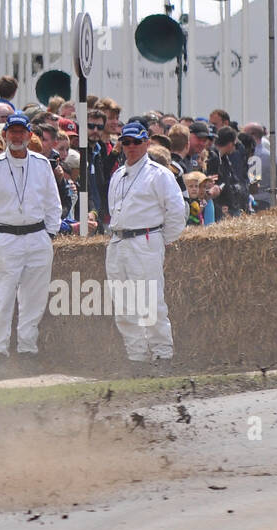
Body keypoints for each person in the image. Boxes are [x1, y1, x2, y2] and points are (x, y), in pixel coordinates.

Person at [0, 113, 62, 376]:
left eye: (21, 132)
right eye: (12, 132)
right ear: (5, 134)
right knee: (2, 298)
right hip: (6, 237)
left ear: (30, 134)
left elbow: (54, 203)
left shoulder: (42, 164)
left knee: (34, 298)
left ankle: (28, 351)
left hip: (37, 237)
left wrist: (50, 233)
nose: (17, 137)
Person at [104, 121, 187, 374]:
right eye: (126, 142)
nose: (130, 147)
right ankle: (136, 357)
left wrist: (162, 239)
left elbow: (177, 212)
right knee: (123, 303)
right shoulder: (117, 175)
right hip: (119, 241)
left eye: (136, 142)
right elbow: (112, 210)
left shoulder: (160, 174)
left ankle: (162, 354)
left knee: (151, 301)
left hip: (146, 239)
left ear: (146, 143)